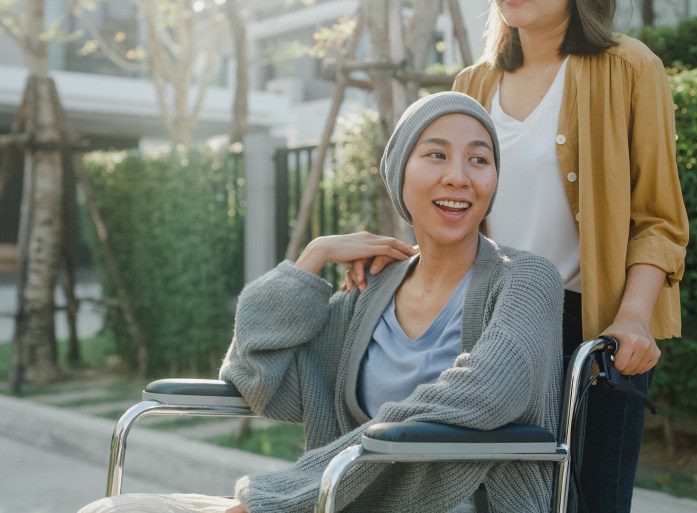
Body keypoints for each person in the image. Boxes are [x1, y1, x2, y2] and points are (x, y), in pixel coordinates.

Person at [78, 92, 564, 513]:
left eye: (479, 159)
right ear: (399, 175)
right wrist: (313, 259)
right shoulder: (371, 293)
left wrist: (289, 494)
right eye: (436, 155)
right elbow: (256, 379)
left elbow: (485, 394)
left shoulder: (526, 280)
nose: (459, 176)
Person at [345, 2, 689, 511]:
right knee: (482, 495)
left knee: (590, 500)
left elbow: (658, 219)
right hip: (489, 321)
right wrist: (404, 263)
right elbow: (460, 208)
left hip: (595, 332)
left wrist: (634, 317)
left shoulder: (629, 67)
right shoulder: (472, 84)